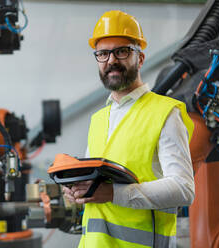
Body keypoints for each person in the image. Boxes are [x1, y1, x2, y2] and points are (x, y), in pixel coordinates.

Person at [62, 10, 195, 248]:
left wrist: (114, 194)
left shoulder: (165, 113)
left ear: (140, 59)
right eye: (103, 53)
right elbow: (95, 186)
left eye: (121, 51)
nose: (111, 60)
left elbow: (183, 188)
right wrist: (76, 192)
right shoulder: (98, 119)